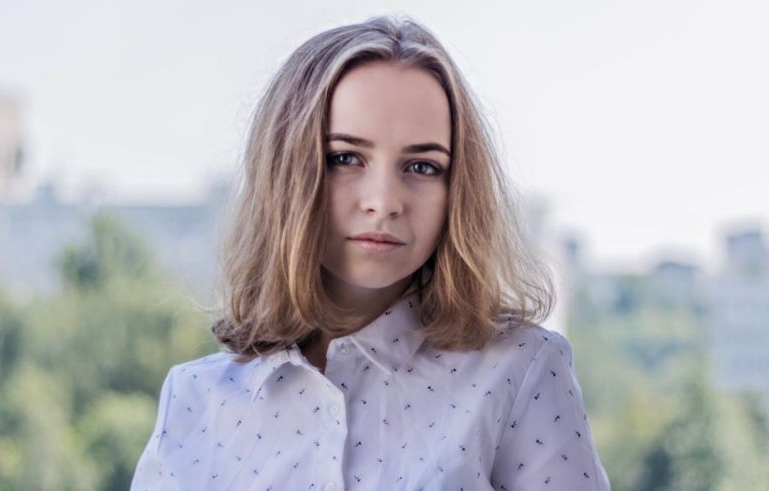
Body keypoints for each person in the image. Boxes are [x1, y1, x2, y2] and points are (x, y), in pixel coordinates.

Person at [131, 14, 611, 491]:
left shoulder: (520, 371)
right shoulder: (194, 400)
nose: (383, 202)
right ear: (285, 172)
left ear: (457, 188)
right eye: (345, 158)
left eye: (422, 166)